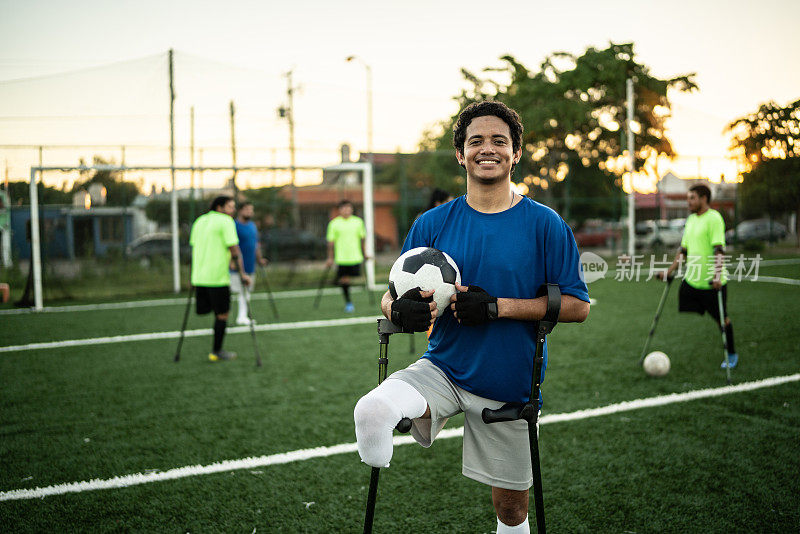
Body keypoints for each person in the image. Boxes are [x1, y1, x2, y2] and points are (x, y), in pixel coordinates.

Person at [353, 101, 590, 533]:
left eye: (500, 141)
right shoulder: (432, 223)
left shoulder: (545, 225)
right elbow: (390, 297)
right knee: (371, 412)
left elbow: (577, 306)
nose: (488, 149)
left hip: (508, 381)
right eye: (475, 141)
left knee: (512, 511)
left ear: (516, 153)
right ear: (460, 154)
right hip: (441, 368)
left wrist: (497, 307)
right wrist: (398, 309)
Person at [658, 184, 738, 368]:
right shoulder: (691, 220)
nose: (689, 202)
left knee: (722, 320)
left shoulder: (714, 218)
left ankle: (732, 354)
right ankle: (703, 307)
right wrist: (668, 272)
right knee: (683, 296)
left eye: (692, 198)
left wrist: (717, 276)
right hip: (692, 281)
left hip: (712, 283)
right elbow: (683, 250)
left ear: (704, 198)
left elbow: (719, 249)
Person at [189, 195, 250, 362]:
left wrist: (192, 276)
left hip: (199, 277)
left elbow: (195, 248)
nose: (233, 210)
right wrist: (243, 274)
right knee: (222, 314)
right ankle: (216, 351)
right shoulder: (226, 221)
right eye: (230, 207)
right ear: (220, 207)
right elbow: (234, 249)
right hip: (217, 277)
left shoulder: (199, 221)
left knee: (206, 310)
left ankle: (216, 350)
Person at [325, 199, 367, 313]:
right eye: (344, 208)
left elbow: (362, 239)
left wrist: (365, 253)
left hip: (356, 257)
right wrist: (330, 258)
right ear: (339, 210)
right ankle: (348, 302)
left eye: (349, 208)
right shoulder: (334, 223)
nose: (347, 210)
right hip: (342, 258)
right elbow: (330, 243)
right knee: (345, 279)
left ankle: (336, 282)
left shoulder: (358, 222)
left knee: (354, 278)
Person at [230, 201, 267, 325]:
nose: (250, 212)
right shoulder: (233, 225)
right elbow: (231, 246)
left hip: (250, 264)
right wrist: (232, 261)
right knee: (238, 290)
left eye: (251, 210)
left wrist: (259, 259)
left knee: (246, 291)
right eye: (247, 209)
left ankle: (243, 315)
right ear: (240, 210)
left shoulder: (252, 226)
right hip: (237, 265)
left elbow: (255, 244)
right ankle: (237, 316)